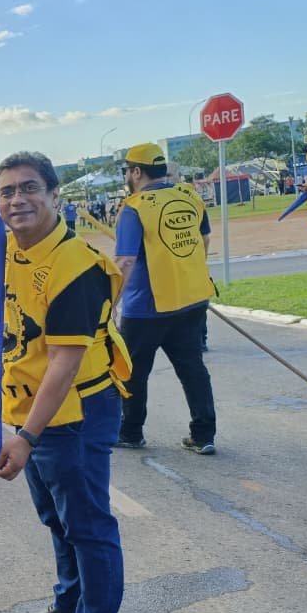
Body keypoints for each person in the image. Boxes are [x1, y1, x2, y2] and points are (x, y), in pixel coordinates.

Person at [0, 151, 130, 613]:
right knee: (56, 516)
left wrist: (25, 436)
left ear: (54, 196)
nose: (17, 200)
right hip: (34, 406)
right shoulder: (5, 250)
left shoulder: (76, 266)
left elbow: (64, 363)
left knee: (88, 524)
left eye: (29, 189)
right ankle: (71, 607)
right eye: (6, 192)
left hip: (76, 408)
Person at [113, 143, 217, 455]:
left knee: (132, 373)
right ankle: (204, 435)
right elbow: (204, 239)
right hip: (193, 300)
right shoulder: (189, 195)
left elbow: (125, 262)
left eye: (127, 171)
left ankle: (131, 432)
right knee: (193, 369)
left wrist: (112, 301)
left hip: (146, 308)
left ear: (135, 171)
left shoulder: (135, 207)